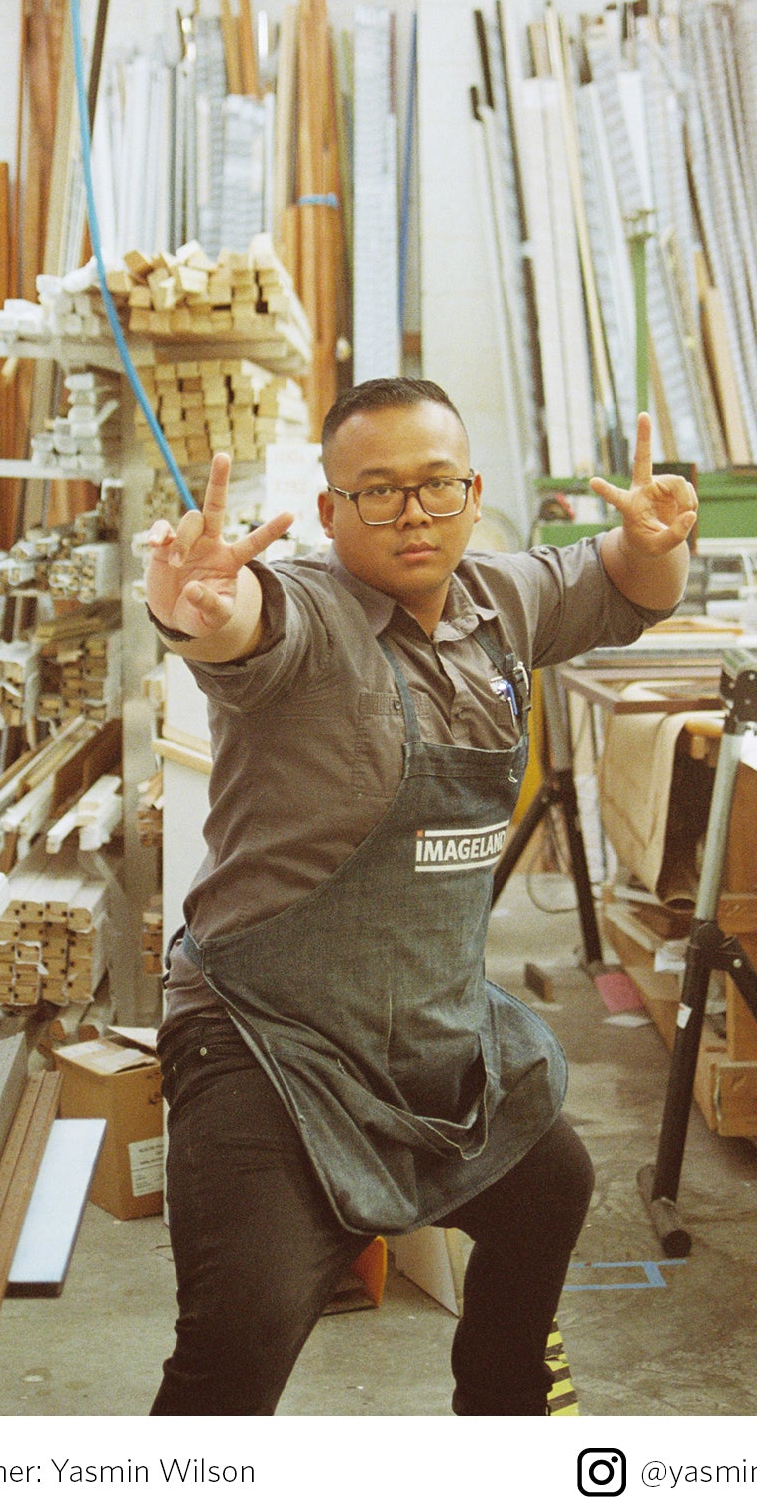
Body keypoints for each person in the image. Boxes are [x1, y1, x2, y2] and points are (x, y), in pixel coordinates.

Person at [143, 377, 696, 1415]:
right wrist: (195, 609)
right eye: (379, 491)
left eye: (437, 486)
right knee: (246, 1327)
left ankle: (501, 1398)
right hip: (267, 1039)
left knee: (549, 1184)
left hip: (430, 1032)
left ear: (474, 492)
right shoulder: (308, 616)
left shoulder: (502, 600)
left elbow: (627, 584)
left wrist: (658, 540)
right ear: (328, 512)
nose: (413, 514)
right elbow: (239, 631)